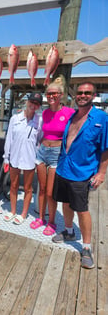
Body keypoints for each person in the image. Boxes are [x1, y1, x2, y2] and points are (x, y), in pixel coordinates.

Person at [52, 82, 108, 269]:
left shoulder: (101, 118)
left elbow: (105, 148)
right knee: (65, 203)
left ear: (94, 95)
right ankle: (69, 231)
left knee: (82, 209)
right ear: (75, 95)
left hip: (82, 172)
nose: (83, 95)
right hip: (63, 168)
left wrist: (101, 173)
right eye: (80, 93)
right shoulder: (72, 116)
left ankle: (86, 247)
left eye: (87, 93)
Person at [30, 79, 74, 235]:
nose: (51, 96)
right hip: (42, 152)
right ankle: (41, 218)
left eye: (54, 93)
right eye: (48, 93)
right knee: (41, 189)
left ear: (61, 95)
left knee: (50, 192)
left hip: (57, 155)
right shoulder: (45, 113)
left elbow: (75, 133)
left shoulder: (69, 113)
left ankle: (52, 222)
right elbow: (40, 132)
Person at [3, 92, 43, 224]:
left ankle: (23, 214)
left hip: (30, 159)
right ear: (27, 102)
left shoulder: (39, 121)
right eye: (32, 102)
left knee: (28, 188)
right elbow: (9, 139)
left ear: (39, 106)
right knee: (13, 185)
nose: (33, 105)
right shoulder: (15, 118)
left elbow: (39, 140)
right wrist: (6, 158)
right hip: (14, 158)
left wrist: (37, 157)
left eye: (37, 103)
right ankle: (13, 211)